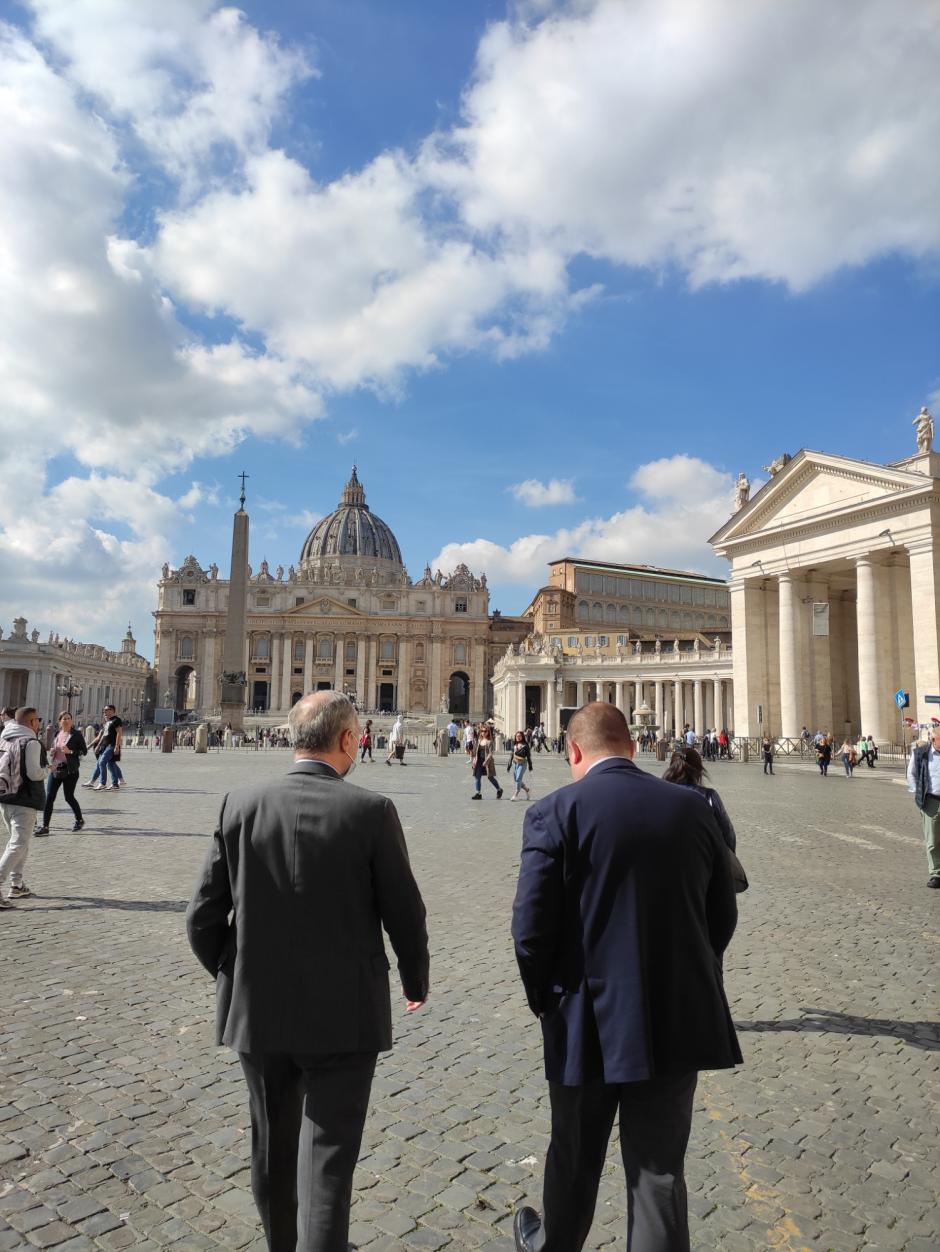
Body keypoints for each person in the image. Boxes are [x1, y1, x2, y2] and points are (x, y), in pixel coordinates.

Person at [186, 691, 430, 1250]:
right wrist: (414, 981)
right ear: (349, 740)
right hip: (345, 1013)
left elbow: (202, 916)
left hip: (258, 1008)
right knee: (329, 1161)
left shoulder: (239, 804)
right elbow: (405, 913)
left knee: (270, 1147)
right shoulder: (371, 811)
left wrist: (234, 972)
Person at [511, 703, 740, 1252]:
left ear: (572, 751)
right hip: (677, 1012)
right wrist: (693, 971)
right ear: (633, 747)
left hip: (583, 1019)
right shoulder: (693, 807)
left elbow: (530, 930)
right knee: (659, 1173)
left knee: (573, 1155)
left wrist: (547, 998)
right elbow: (723, 913)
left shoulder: (553, 811)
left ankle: (554, 1244)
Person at [0, 708, 47, 908]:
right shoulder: (31, 742)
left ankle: (17, 884)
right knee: (18, 844)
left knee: (19, 843)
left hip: (4, 797)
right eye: (38, 720)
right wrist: (49, 769)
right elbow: (35, 774)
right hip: (24, 798)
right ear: (31, 722)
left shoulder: (4, 739)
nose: (39, 723)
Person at [663, 745, 737, 853]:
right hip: (702, 863)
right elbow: (728, 836)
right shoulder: (709, 796)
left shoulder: (660, 794)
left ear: (671, 767)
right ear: (698, 769)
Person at [35, 711, 87, 834]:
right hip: (56, 769)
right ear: (60, 721)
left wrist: (71, 752)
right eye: (64, 718)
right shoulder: (58, 734)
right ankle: (45, 826)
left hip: (70, 770)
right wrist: (52, 751)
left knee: (69, 797)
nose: (67, 720)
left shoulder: (76, 734)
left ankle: (79, 820)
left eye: (69, 718)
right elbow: (55, 750)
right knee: (49, 798)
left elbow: (83, 751)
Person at [906, 727, 940, 888]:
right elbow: (911, 773)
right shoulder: (921, 753)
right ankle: (936, 874)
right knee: (932, 840)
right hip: (931, 801)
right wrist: (918, 794)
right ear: (934, 739)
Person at [83, 705, 124, 790]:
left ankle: (102, 783)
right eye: (103, 710)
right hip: (104, 745)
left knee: (102, 763)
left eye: (106, 710)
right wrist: (98, 745)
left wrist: (117, 746)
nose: (104, 712)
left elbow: (119, 733)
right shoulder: (107, 722)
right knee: (110, 764)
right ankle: (115, 784)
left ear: (112, 710)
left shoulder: (116, 720)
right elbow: (103, 736)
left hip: (111, 745)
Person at [470, 724, 502, 800]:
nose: (483, 733)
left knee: (490, 777)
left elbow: (491, 753)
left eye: (485, 731)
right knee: (477, 777)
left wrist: (486, 761)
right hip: (478, 762)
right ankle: (478, 793)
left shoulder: (489, 742)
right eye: (482, 731)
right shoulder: (479, 740)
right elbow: (476, 752)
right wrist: (474, 759)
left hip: (487, 762)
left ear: (488, 732)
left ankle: (499, 789)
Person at [507, 731, 533, 801]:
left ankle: (516, 795)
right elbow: (511, 756)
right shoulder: (514, 746)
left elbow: (528, 756)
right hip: (515, 763)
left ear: (522, 737)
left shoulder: (525, 746)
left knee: (518, 778)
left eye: (519, 736)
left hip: (522, 764)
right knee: (517, 780)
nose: (518, 737)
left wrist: (530, 766)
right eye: (517, 736)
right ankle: (527, 790)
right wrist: (509, 766)